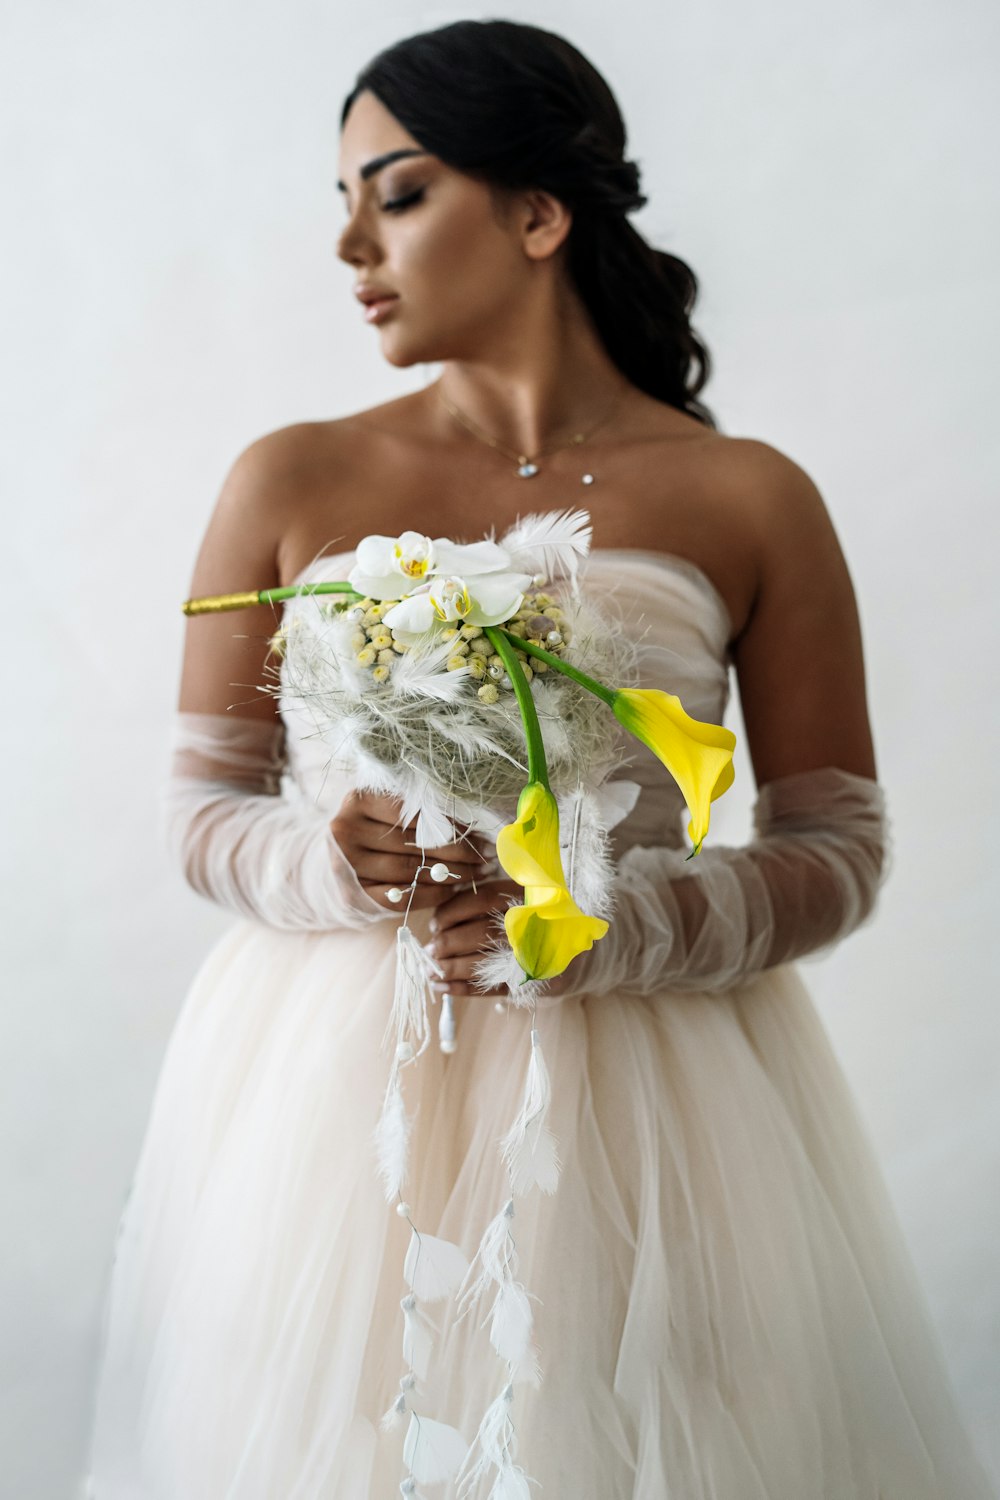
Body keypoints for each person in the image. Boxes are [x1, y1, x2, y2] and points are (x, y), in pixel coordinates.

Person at [82, 19, 995, 1499]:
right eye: (342, 201)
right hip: (335, 1108)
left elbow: (839, 844)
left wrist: (614, 928)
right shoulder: (289, 477)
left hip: (662, 1109)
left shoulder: (751, 497)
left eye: (393, 192)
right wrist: (328, 860)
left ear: (538, 213)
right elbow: (201, 808)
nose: (346, 246)